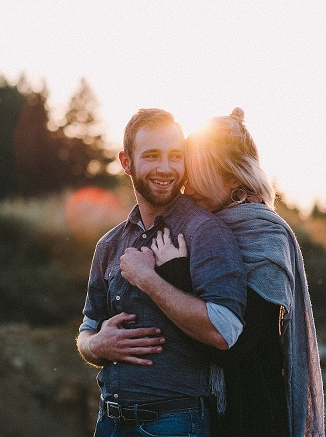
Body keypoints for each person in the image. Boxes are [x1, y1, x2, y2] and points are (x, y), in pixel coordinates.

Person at [121, 108, 325, 437]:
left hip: (249, 413)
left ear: (232, 178)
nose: (186, 188)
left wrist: (165, 274)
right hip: (196, 412)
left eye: (198, 175)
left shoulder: (266, 237)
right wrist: (96, 341)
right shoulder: (198, 231)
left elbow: (231, 345)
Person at [76, 108, 248, 437]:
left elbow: (224, 330)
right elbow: (86, 330)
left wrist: (149, 281)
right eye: (152, 156)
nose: (165, 169)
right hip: (109, 422)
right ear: (127, 162)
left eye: (175, 156)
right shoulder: (109, 245)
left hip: (174, 423)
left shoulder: (205, 232)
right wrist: (97, 345)